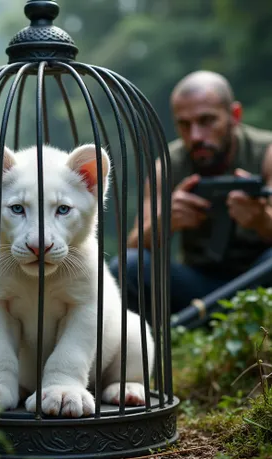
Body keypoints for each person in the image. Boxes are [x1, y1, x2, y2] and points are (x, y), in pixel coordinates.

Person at [110, 70, 272, 327]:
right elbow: (133, 245)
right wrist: (166, 221)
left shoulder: (266, 153)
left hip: (262, 286)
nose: (196, 136)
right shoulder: (168, 166)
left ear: (234, 116)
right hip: (199, 290)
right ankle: (150, 355)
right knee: (130, 266)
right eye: (184, 125)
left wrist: (261, 219)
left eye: (207, 121)